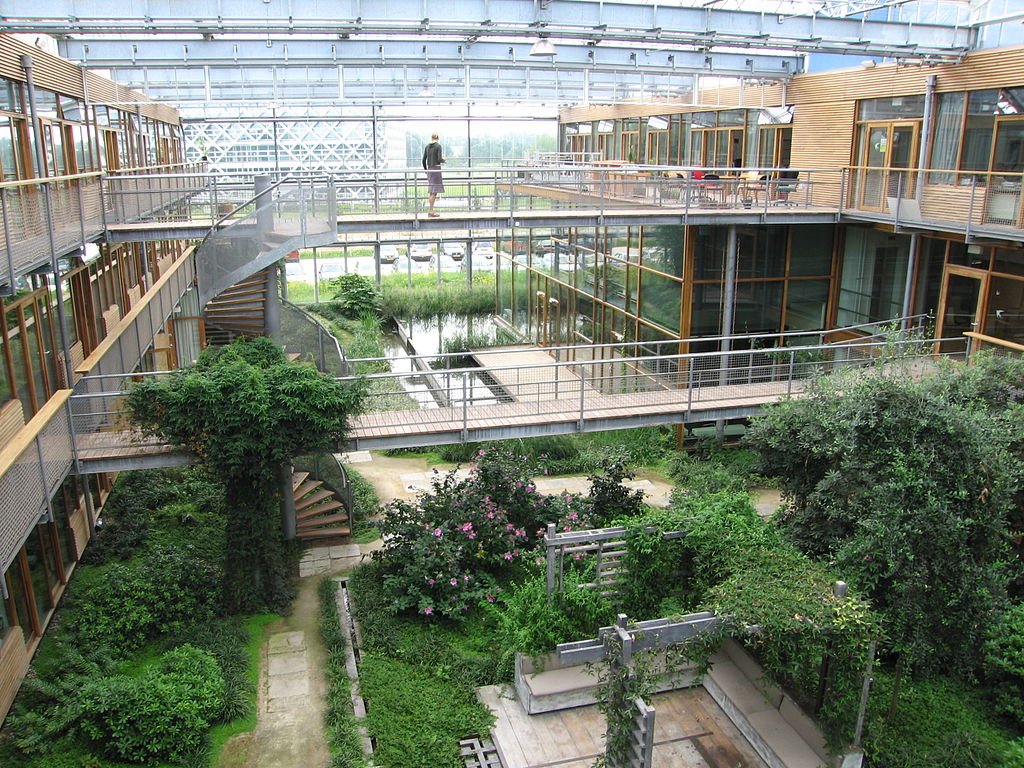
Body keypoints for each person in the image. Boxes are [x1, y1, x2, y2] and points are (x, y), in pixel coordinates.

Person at [422, 133, 446, 217]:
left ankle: (430, 210)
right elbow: (439, 159)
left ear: (431, 138)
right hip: (436, 169)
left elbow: (423, 159)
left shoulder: (427, 146)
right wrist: (444, 160)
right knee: (434, 192)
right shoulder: (438, 146)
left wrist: (426, 170)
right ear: (438, 138)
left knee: (431, 191)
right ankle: (431, 211)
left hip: (429, 169)